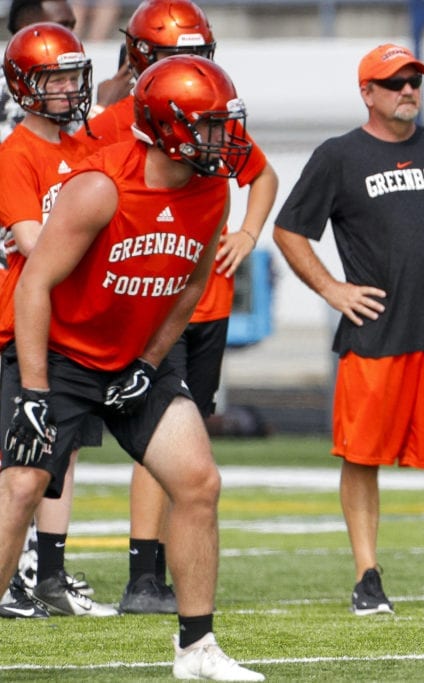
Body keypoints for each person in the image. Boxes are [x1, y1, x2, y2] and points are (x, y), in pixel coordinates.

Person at [0, 53, 264, 680]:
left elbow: (193, 285)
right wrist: (34, 392)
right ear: (170, 128)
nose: (222, 140)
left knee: (199, 482)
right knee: (21, 488)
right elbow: (33, 286)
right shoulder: (100, 187)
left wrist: (148, 362)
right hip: (59, 358)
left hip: (129, 362)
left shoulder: (211, 192)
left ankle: (197, 650)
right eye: (207, 126)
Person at [274, 42, 424, 615]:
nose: (408, 91)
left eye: (414, 81)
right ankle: (367, 576)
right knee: (361, 457)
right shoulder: (339, 156)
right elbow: (290, 231)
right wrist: (331, 290)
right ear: (366, 92)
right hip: (374, 337)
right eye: (395, 82)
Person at [79, 0, 278, 615]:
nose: (191, 71)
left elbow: (260, 175)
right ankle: (130, 572)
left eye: (198, 57)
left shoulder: (214, 122)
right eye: (176, 57)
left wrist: (246, 233)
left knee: (179, 440)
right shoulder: (114, 123)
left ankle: (155, 577)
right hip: (134, 311)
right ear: (143, 59)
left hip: (200, 300)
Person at [0, 21, 117, 619]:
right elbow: (30, 238)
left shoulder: (86, 148)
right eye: (56, 78)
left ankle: (48, 575)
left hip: (75, 328)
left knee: (61, 457)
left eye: (74, 75)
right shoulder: (16, 154)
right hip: (25, 327)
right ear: (24, 85)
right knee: (20, 463)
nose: (71, 88)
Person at [0, 0, 132, 142]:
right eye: (61, 26)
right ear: (26, 29)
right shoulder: (7, 86)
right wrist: (101, 109)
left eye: (72, 26)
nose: (69, 35)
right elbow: (42, 152)